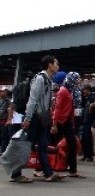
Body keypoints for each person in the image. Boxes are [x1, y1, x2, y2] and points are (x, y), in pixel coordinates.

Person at [17, 55, 63, 183]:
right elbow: (33, 99)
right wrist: (28, 118)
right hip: (35, 118)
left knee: (43, 145)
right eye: (56, 63)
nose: (57, 66)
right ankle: (16, 173)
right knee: (27, 146)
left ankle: (48, 173)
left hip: (43, 118)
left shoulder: (49, 80)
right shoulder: (40, 79)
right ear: (49, 65)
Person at [51, 71, 86, 178]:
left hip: (67, 122)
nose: (78, 82)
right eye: (76, 80)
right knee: (53, 145)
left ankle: (72, 170)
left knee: (72, 144)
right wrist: (54, 124)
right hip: (60, 122)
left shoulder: (69, 91)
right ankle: (48, 168)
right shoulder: (63, 91)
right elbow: (57, 108)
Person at [0, 86, 12, 153]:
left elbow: (9, 111)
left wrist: (8, 120)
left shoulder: (8, 101)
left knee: (4, 137)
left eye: (2, 91)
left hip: (3, 122)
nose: (1, 92)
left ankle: (2, 151)